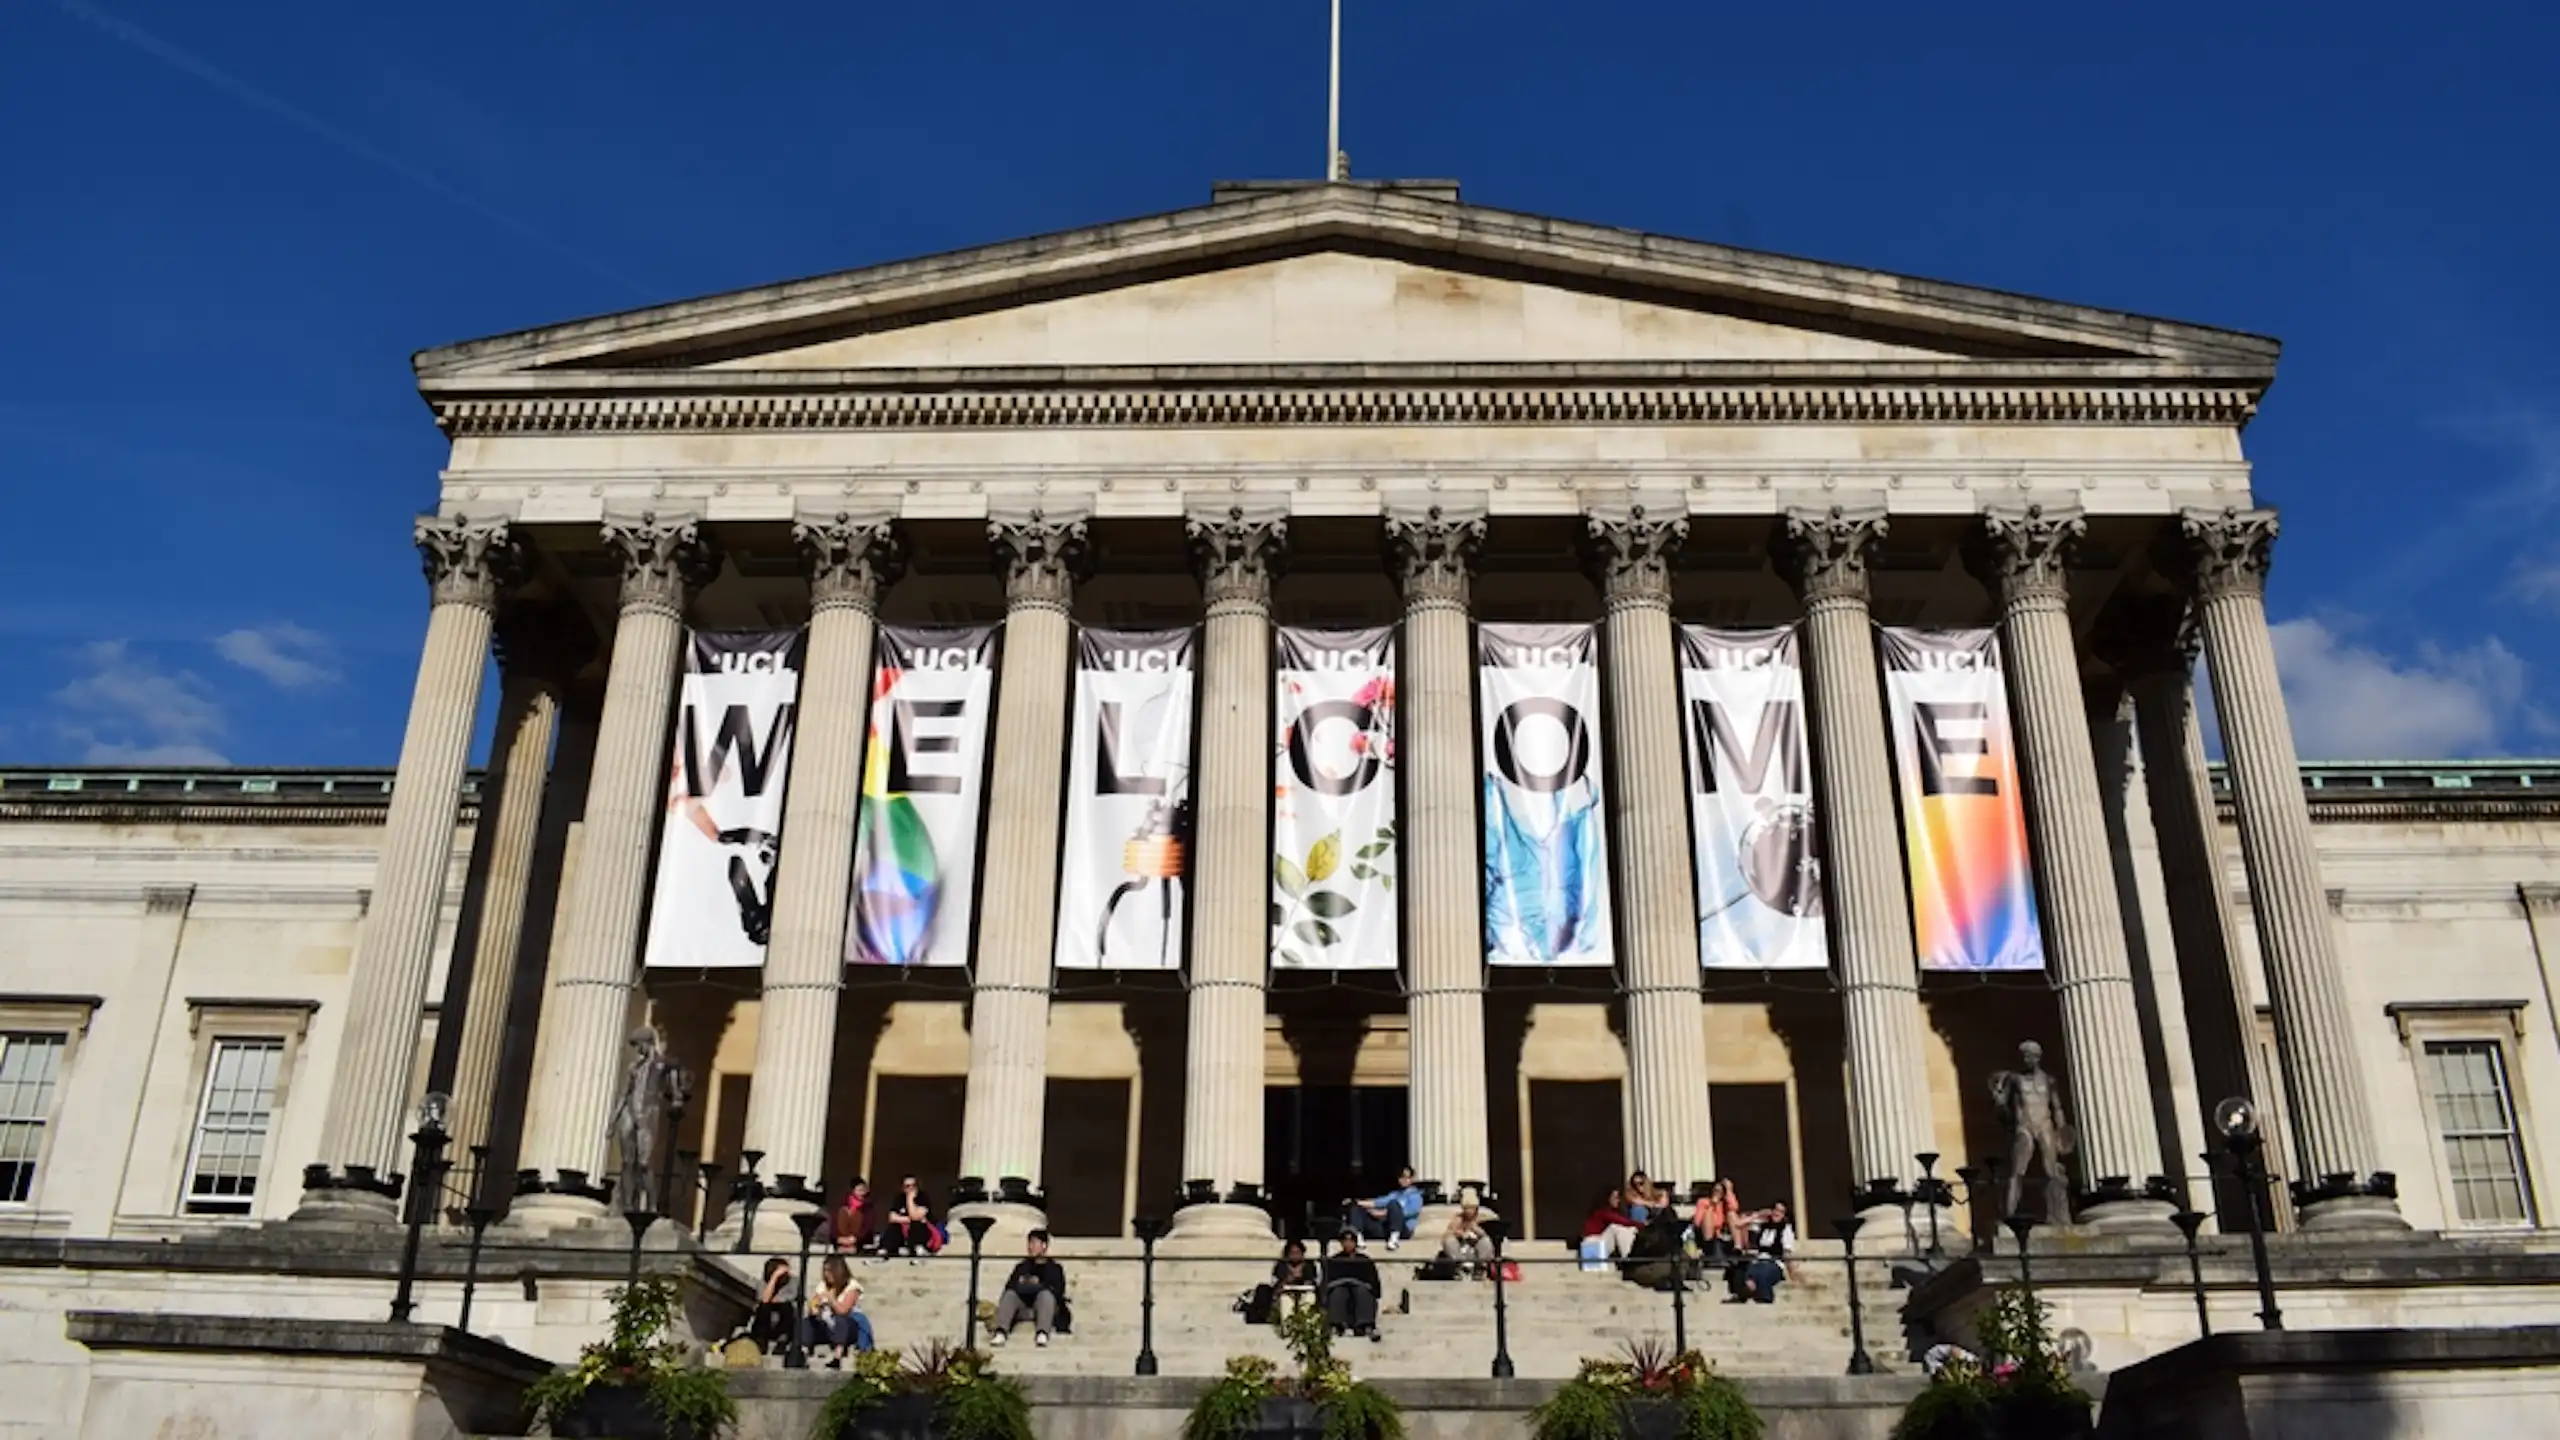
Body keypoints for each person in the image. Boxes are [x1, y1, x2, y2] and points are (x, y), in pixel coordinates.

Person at [989, 1229, 1068, 1347]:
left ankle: (1042, 1333)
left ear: (1044, 1245)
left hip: (1044, 1308)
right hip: (1023, 1307)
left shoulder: (1054, 1268)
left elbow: (1058, 1291)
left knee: (1045, 1295)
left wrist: (1038, 1285)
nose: (1030, 1247)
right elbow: (1010, 1286)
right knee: (1010, 1295)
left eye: (1034, 1243)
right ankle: (1001, 1332)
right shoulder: (1022, 1266)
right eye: (1029, 1243)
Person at [805, 1255, 874, 1363]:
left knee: (840, 1321)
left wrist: (831, 1299)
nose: (826, 1274)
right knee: (807, 1322)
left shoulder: (852, 1287)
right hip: (827, 1323)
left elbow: (843, 1311)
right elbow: (812, 1306)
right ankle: (803, 1350)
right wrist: (814, 1308)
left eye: (829, 1270)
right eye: (825, 1270)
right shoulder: (823, 1285)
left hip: (849, 1325)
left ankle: (838, 1356)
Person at [1321, 1228, 1384, 1340]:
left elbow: (1374, 1286)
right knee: (1338, 1292)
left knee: (1362, 1292)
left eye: (1351, 1241)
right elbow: (1327, 1284)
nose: (1348, 1244)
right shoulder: (1335, 1261)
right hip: (1340, 1292)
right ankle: (1337, 1325)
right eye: (1345, 1241)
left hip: (1360, 1293)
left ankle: (1365, 1325)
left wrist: (1358, 1284)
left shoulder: (1364, 1261)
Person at [1729, 1201, 1796, 1304]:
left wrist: (1792, 1273)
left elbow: (1787, 1253)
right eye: (1775, 1210)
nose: (1777, 1214)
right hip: (1758, 1261)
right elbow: (1738, 1224)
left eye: (1781, 1212)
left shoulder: (1786, 1229)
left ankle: (1764, 1297)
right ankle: (1743, 1292)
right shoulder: (1763, 1226)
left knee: (1762, 1273)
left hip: (1774, 1263)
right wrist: (1758, 1214)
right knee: (1741, 1269)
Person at [1344, 1166, 1423, 1251]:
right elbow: (1378, 1202)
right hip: (1385, 1227)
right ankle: (1358, 1239)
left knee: (1394, 1204)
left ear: (1412, 1179)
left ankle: (1394, 1239)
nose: (1404, 1180)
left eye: (1407, 1177)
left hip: (1402, 1229)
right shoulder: (1394, 1194)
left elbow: (1408, 1212)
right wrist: (1355, 1202)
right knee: (1356, 1208)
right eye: (1401, 1177)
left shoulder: (1416, 1196)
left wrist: (1383, 1213)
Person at [878, 1176, 936, 1260]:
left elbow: (915, 1216)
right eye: (908, 1186)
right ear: (903, 1188)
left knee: (917, 1225)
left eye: (914, 1185)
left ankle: (919, 1248)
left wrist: (910, 1199)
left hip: (923, 1231)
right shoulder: (899, 1198)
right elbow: (891, 1217)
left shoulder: (923, 1198)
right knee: (894, 1227)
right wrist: (908, 1219)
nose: (911, 1188)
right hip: (904, 1230)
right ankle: (886, 1249)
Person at [748, 1257, 796, 1353]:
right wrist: (774, 1278)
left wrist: (773, 1300)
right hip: (765, 1323)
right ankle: (761, 1342)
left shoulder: (793, 1281)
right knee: (764, 1308)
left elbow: (788, 1298)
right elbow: (764, 1299)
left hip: (784, 1320)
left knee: (786, 1307)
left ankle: (782, 1340)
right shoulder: (763, 1282)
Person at [1690, 1179, 1744, 1261]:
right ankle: (1709, 1244)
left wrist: (1729, 1190)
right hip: (1707, 1236)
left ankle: (1738, 1247)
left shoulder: (1724, 1204)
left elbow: (1734, 1207)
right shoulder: (1703, 1202)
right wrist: (1711, 1205)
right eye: (1715, 1190)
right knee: (1707, 1214)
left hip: (1723, 1234)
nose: (1717, 1193)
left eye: (1720, 1191)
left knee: (1732, 1214)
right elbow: (1697, 1222)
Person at [1271, 1238, 1319, 1326]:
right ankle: (1287, 1326)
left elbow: (1314, 1283)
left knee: (1309, 1297)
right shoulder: (1281, 1266)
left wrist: (1304, 1280)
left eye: (1298, 1253)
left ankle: (1306, 1326)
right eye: (1292, 1253)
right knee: (1285, 1300)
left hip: (1304, 1292)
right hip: (1286, 1293)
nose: (1295, 1255)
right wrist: (1287, 1280)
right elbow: (1275, 1287)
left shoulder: (1309, 1265)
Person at [1582, 1187, 1640, 1260]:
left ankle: (1632, 1256)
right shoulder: (1602, 1212)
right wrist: (1644, 1225)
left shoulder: (1613, 1212)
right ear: (1608, 1198)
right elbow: (1625, 1222)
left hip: (1600, 1242)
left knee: (1631, 1229)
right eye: (1615, 1198)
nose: (1618, 1200)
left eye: (1619, 1198)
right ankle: (1628, 1258)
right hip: (1592, 1243)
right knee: (1615, 1227)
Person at [1440, 1193, 1489, 1278]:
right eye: (1466, 1208)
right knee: (1449, 1241)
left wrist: (1476, 1230)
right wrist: (1460, 1233)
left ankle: (1479, 1269)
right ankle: (1459, 1268)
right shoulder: (1458, 1218)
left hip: (1477, 1248)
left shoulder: (1483, 1218)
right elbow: (1447, 1234)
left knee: (1486, 1241)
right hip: (1461, 1248)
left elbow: (1488, 1234)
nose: (1468, 1211)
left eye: (1471, 1208)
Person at [832, 1178, 873, 1255]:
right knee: (843, 1211)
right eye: (859, 1190)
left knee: (857, 1214)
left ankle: (851, 1246)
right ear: (853, 1191)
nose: (862, 1193)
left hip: (858, 1240)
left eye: (863, 1190)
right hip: (841, 1238)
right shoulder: (842, 1204)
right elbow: (833, 1222)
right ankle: (843, 1245)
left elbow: (868, 1225)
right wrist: (838, 1238)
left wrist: (855, 1238)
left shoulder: (868, 1206)